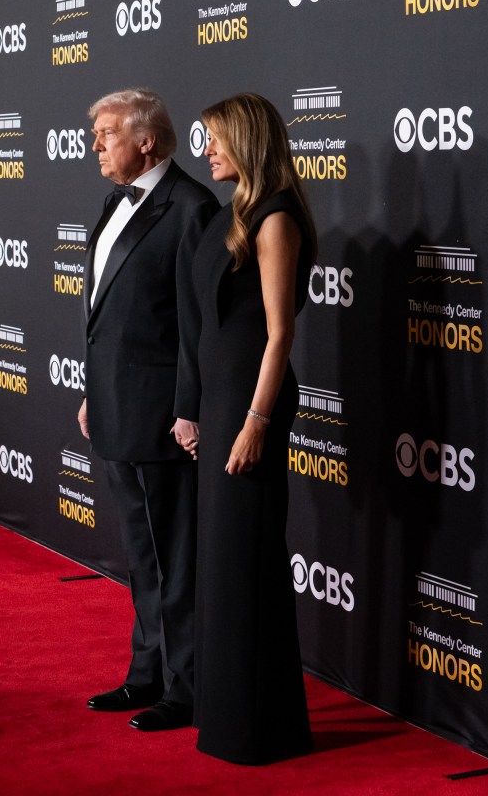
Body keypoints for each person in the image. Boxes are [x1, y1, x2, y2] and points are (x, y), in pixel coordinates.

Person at [176, 92, 316, 764]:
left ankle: (261, 729)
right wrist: (201, 410)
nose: (206, 151)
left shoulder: (276, 218)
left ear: (248, 141)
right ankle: (233, 716)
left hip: (251, 407)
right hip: (223, 403)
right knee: (224, 565)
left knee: (247, 563)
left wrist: (255, 422)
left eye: (216, 139)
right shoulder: (234, 215)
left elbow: (279, 331)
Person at [77, 89, 219, 732]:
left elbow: (197, 325)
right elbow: (110, 313)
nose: (96, 145)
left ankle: (187, 690)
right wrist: (92, 389)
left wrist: (189, 408)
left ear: (147, 141)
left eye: (106, 134)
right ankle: (145, 676)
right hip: (115, 408)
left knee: (177, 560)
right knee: (142, 556)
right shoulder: (114, 200)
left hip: (165, 418)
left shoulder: (190, 206)